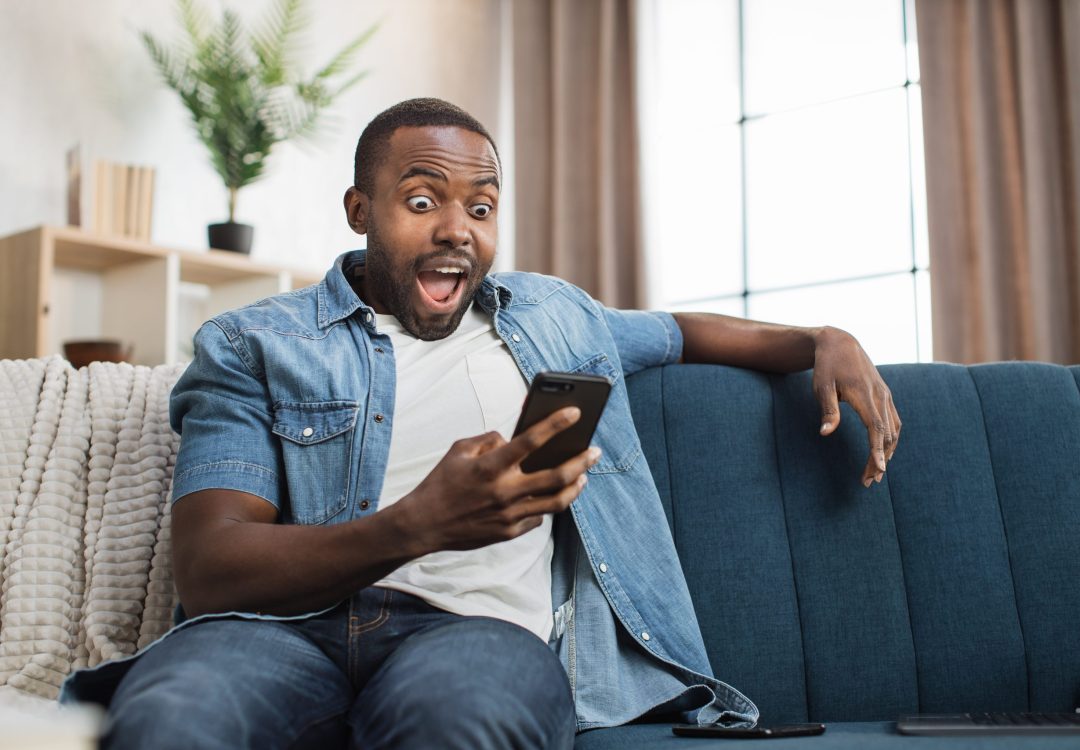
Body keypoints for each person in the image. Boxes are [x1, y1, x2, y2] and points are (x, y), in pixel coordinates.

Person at [62, 98, 901, 749]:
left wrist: (821, 338)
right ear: (360, 210)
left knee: (457, 724)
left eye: (482, 206)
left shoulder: (556, 316)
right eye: (422, 199)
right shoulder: (254, 343)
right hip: (280, 635)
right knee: (176, 717)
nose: (458, 228)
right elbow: (212, 567)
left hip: (478, 639)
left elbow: (683, 331)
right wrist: (417, 525)